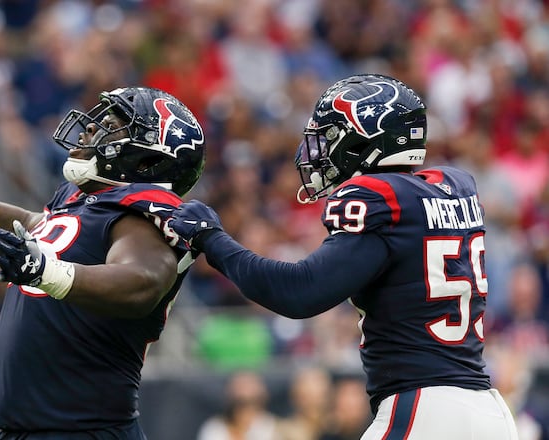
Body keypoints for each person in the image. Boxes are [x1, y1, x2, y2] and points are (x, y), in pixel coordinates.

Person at [171, 74, 519, 439]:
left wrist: (212, 238)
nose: (320, 152)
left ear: (367, 140)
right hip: (488, 410)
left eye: (332, 138)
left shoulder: (379, 199)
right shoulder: (453, 187)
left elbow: (299, 290)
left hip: (425, 410)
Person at [0, 86, 205, 438]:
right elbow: (30, 229)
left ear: (147, 160)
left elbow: (142, 283)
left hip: (83, 432)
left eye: (112, 124)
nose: (92, 128)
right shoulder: (82, 201)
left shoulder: (145, 217)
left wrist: (47, 272)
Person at [196, 370, 282, 440]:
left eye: (253, 401)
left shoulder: (270, 426)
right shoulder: (214, 428)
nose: (246, 410)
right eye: (240, 403)